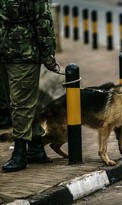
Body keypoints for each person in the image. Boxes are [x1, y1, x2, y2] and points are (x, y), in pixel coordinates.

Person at [0, 0, 58, 172]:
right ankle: (36, 148)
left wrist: (48, 56)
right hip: (4, 54)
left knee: (21, 105)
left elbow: (44, 21)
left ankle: (19, 154)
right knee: (17, 103)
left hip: (24, 55)